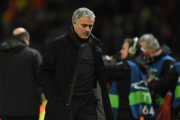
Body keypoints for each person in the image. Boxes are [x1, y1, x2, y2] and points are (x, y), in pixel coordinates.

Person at [38, 7, 114, 120]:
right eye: (84, 26)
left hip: (87, 105)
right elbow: (44, 72)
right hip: (64, 103)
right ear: (74, 23)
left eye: (90, 26)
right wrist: (54, 95)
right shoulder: (57, 45)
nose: (88, 30)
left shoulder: (95, 47)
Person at [0, 27, 42, 120]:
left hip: (5, 110)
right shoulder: (33, 54)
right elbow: (43, 79)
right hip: (29, 110)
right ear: (25, 39)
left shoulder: (1, 55)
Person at [104, 37, 149, 120]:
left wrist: (105, 59)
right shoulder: (137, 66)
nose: (121, 51)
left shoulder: (127, 67)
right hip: (132, 112)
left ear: (132, 51)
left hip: (123, 113)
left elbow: (104, 68)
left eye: (123, 49)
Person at [139, 33, 179, 120]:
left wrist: (152, 83)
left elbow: (167, 84)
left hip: (162, 110)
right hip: (148, 108)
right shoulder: (147, 62)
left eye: (144, 49)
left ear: (153, 48)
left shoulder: (168, 62)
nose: (142, 53)